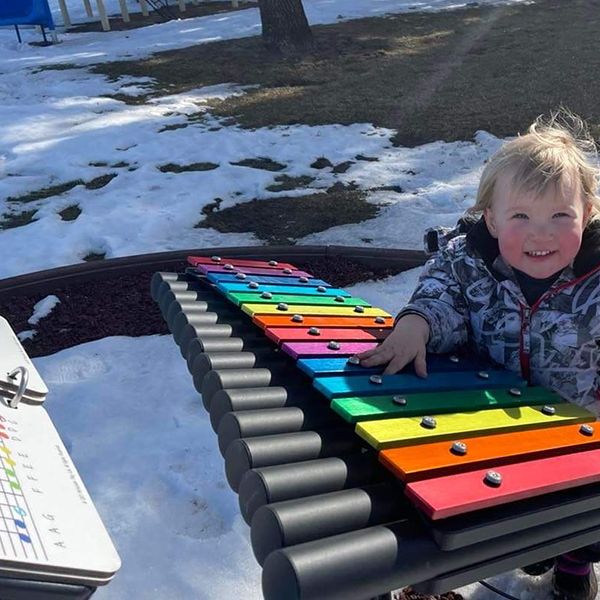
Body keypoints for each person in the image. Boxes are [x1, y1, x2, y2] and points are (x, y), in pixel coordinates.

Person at [356, 110, 600, 600]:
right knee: (471, 506)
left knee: (585, 515)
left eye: (560, 216)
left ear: (588, 213)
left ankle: (573, 562)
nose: (541, 234)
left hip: (582, 428)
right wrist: (416, 323)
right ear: (491, 218)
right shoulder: (466, 262)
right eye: (521, 217)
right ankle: (450, 567)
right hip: (489, 424)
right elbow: (441, 294)